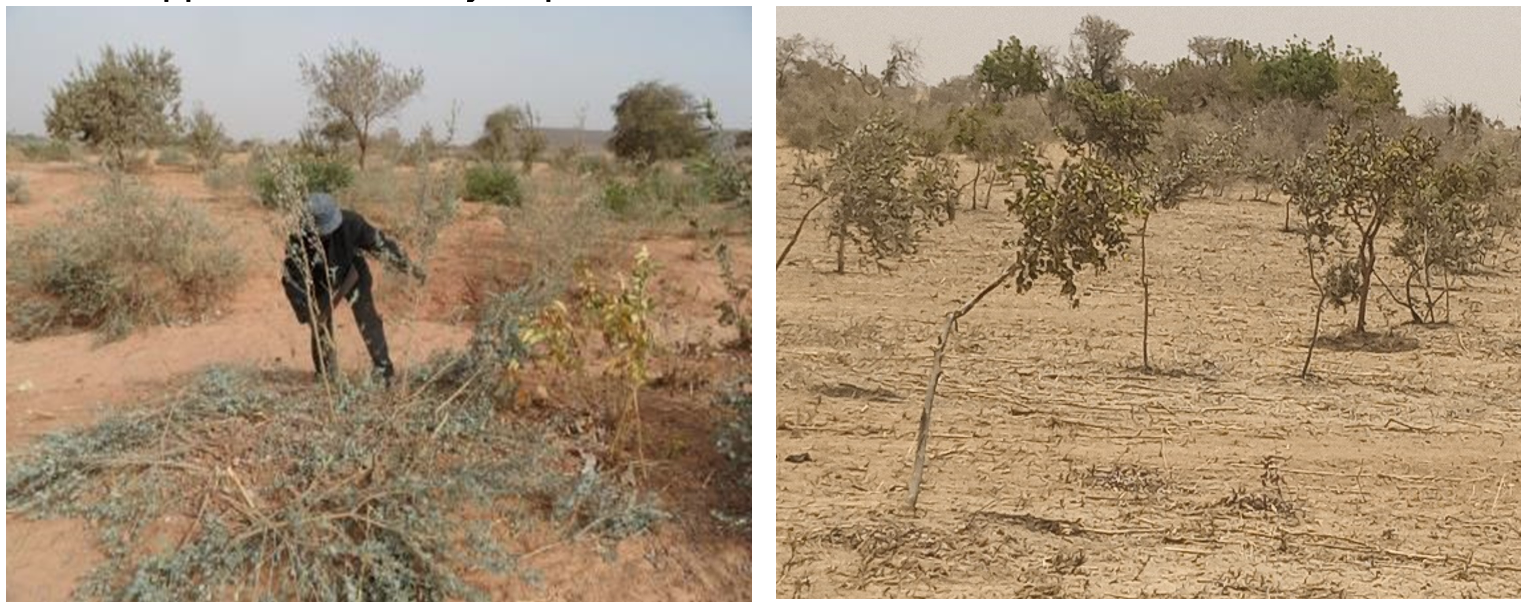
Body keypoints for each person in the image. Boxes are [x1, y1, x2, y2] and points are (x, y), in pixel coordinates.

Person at [281, 193, 426, 385]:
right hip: (321, 282)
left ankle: (384, 371)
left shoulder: (352, 223)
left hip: (352, 272)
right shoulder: (298, 239)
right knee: (320, 323)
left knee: (367, 316)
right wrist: (306, 311)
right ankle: (326, 376)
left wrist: (407, 266)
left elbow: (380, 245)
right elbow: (291, 278)